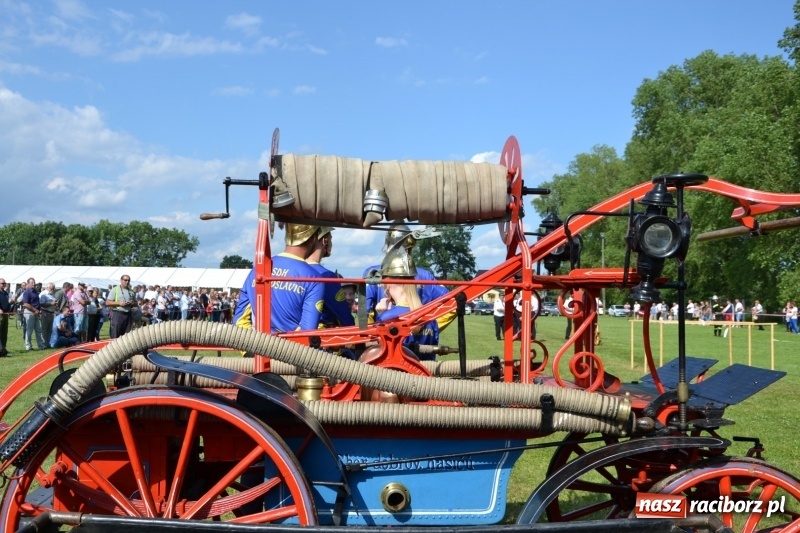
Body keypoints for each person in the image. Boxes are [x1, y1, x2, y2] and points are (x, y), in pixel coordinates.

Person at [362, 222, 454, 331]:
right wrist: (430, 328)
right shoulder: (425, 275)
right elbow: (452, 304)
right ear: (409, 249)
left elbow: (365, 313)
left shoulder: (373, 273)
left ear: (387, 248)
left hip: (385, 338)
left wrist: (372, 337)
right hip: (421, 340)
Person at [234, 223, 324, 334]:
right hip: (292, 350)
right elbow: (307, 333)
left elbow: (239, 321)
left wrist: (251, 351)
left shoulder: (256, 270)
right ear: (314, 238)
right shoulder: (314, 278)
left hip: (257, 348)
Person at [374, 247, 439, 359]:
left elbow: (379, 354)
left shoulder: (387, 318)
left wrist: (380, 317)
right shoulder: (431, 318)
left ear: (388, 281)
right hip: (425, 374)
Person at [306, 227, 355, 328]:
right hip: (320, 337)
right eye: (331, 239)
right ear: (325, 240)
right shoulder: (328, 276)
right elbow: (345, 317)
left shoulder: (295, 271)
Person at [21, 277, 46, 351]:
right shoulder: (27, 292)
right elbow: (25, 304)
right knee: (29, 330)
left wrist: (38, 310)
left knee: (38, 330)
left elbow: (37, 302)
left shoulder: (35, 291)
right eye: (32, 282)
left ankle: (41, 345)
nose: (33, 284)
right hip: (29, 312)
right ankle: (28, 346)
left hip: (36, 313)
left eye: (34, 282)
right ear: (28, 283)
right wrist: (35, 310)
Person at [0, 278, 12, 356]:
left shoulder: (5, 293)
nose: (4, 285)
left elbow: (7, 303)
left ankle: (3, 348)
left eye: (4, 283)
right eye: (2, 283)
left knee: (4, 332)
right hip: (0, 315)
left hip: (6, 314)